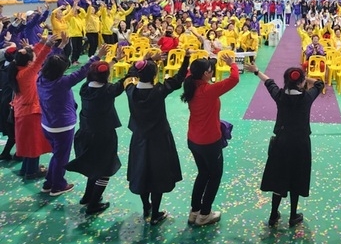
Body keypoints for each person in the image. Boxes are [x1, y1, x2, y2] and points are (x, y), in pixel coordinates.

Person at [244, 61, 324, 228]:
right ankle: (293, 215)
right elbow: (319, 83)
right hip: (301, 144)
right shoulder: (307, 97)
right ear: (301, 82)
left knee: (279, 176)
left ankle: (274, 214)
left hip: (281, 143)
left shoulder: (280, 96)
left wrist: (256, 70)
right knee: (297, 176)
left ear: (286, 81)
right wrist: (302, 78)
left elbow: (268, 82)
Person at [125, 52, 190, 225]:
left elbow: (130, 74)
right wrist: (186, 58)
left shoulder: (130, 90)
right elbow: (179, 78)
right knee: (158, 175)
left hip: (139, 139)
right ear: (155, 76)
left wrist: (145, 60)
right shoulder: (159, 90)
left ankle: (146, 206)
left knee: (141, 172)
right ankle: (155, 213)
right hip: (160, 139)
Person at [36, 40, 106, 197]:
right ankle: (57, 186)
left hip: (47, 124)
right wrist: (97, 56)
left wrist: (57, 48)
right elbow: (82, 71)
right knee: (61, 157)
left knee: (56, 154)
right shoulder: (62, 83)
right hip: (62, 126)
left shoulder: (40, 78)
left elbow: (48, 62)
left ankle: (49, 183)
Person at [181, 54, 240, 226]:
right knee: (215, 176)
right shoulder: (207, 90)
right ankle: (205, 214)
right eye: (210, 69)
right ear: (206, 74)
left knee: (203, 173)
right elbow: (234, 79)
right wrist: (232, 63)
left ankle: (194, 211)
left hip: (193, 139)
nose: (212, 71)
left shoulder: (190, 84)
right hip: (209, 142)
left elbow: (189, 71)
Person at [65, 57, 126, 214]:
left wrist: (111, 61)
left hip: (85, 134)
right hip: (103, 136)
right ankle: (93, 204)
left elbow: (99, 74)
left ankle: (87, 196)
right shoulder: (109, 91)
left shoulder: (85, 89)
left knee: (93, 165)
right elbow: (122, 83)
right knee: (105, 168)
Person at [8, 34, 61, 179]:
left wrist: (37, 45)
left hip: (23, 111)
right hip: (30, 113)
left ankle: (26, 169)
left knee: (27, 143)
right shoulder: (26, 73)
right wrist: (48, 45)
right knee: (34, 143)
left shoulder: (18, 69)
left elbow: (33, 58)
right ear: (28, 62)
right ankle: (32, 172)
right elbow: (39, 60)